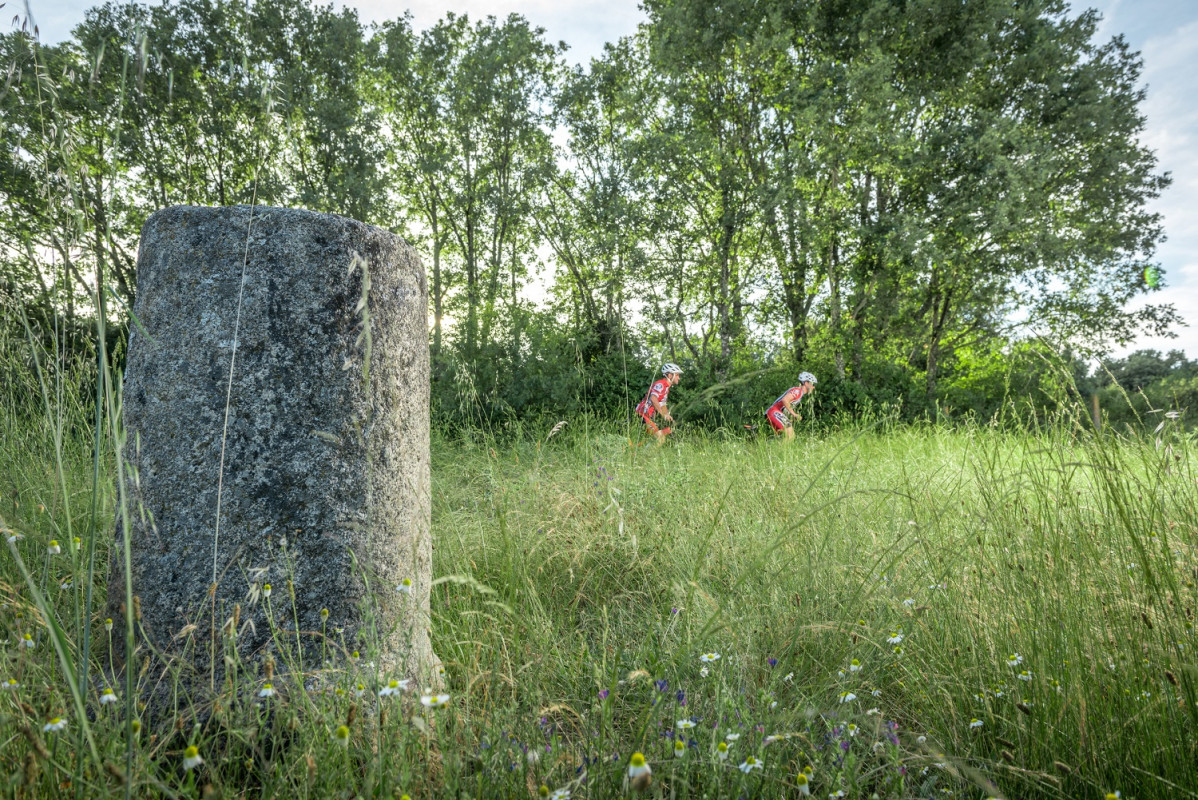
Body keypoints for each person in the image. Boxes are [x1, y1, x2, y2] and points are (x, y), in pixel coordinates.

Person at [636, 363, 682, 445]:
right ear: (670, 375)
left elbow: (662, 404)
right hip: (643, 414)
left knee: (658, 436)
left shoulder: (666, 388)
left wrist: (667, 414)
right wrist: (663, 415)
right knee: (659, 437)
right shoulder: (660, 384)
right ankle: (645, 456)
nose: (679, 378)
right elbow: (653, 399)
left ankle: (636, 451)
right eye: (677, 375)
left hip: (648, 416)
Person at [765, 371, 817, 440]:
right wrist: (794, 414)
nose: (814, 387)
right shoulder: (798, 391)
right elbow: (785, 400)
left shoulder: (799, 394)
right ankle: (783, 450)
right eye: (812, 384)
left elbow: (784, 407)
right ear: (806, 383)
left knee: (783, 438)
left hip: (774, 412)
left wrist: (791, 418)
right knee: (790, 436)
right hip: (773, 412)